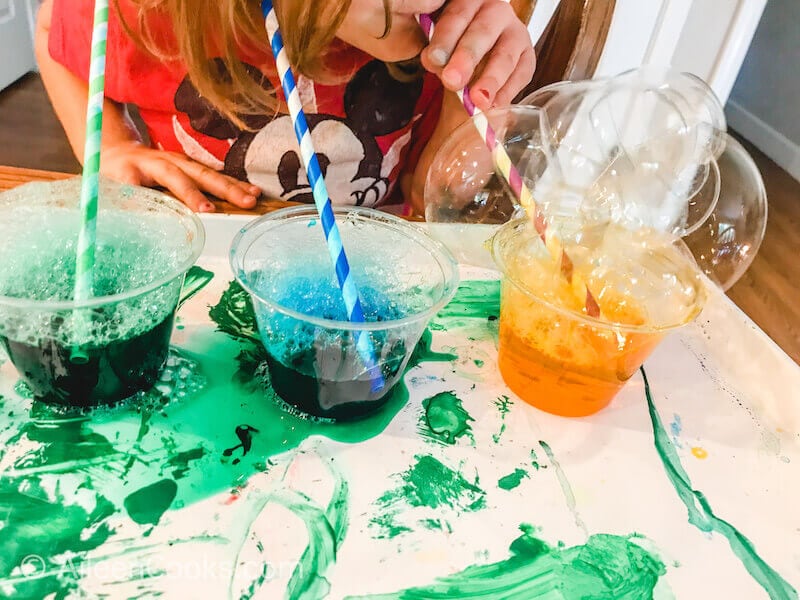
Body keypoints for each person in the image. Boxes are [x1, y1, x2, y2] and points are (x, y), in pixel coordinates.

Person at [35, 0, 535, 215]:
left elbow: (434, 202)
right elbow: (54, 28)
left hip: (377, 263)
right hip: (199, 258)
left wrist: (467, 96)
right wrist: (110, 147)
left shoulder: (451, 24)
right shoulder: (157, 12)